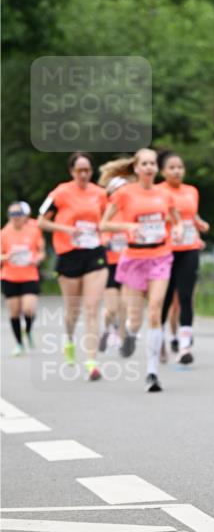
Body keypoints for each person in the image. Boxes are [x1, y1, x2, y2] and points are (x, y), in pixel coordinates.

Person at [99, 148, 182, 392]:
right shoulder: (124, 194)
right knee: (134, 320)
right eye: (144, 164)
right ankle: (131, 335)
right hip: (134, 258)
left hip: (160, 256)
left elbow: (176, 222)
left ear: (156, 168)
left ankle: (152, 373)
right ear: (136, 168)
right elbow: (103, 223)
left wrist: (176, 231)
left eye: (152, 164)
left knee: (155, 311)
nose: (148, 167)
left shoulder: (164, 195)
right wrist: (128, 226)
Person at [38, 152, 107, 381]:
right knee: (73, 310)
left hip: (94, 253)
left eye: (88, 170)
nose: (84, 174)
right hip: (68, 254)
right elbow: (41, 221)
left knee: (91, 307)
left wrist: (105, 236)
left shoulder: (100, 194)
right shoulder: (60, 192)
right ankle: (68, 340)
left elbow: (107, 221)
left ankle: (91, 362)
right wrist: (67, 230)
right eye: (80, 170)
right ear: (72, 172)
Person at [156, 150, 209, 364]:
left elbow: (191, 214)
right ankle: (159, 341)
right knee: (165, 299)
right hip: (165, 250)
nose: (177, 171)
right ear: (162, 171)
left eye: (180, 167)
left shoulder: (191, 191)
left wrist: (199, 223)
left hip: (189, 247)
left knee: (186, 297)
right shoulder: (158, 192)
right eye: (172, 168)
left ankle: (185, 345)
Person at [1, 201, 45, 355]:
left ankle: (28, 329)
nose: (16, 217)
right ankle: (19, 344)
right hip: (9, 277)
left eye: (19, 214)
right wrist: (7, 256)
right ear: (9, 216)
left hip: (29, 275)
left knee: (29, 309)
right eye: (13, 214)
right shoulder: (4, 233)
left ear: (24, 216)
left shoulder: (33, 231)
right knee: (14, 312)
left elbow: (41, 252)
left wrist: (37, 259)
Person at [97, 171, 130, 353]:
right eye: (118, 191)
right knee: (111, 307)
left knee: (125, 304)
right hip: (109, 263)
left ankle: (123, 339)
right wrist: (106, 241)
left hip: (128, 263)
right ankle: (108, 328)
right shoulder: (105, 210)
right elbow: (100, 231)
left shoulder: (131, 211)